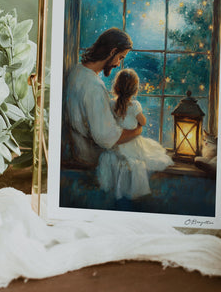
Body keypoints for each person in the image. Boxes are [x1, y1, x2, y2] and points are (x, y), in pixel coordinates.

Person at [64, 28, 143, 169]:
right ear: (112, 52)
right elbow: (106, 138)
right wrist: (137, 131)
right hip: (92, 159)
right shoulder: (94, 86)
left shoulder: (76, 72)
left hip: (77, 153)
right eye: (120, 57)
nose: (118, 64)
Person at [96, 68, 174, 200]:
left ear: (116, 87)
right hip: (132, 143)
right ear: (135, 90)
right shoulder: (135, 105)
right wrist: (138, 123)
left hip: (117, 143)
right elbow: (143, 122)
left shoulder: (111, 104)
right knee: (152, 152)